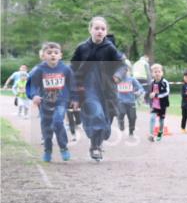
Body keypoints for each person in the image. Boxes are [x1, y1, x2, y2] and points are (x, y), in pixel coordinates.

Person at [69, 16, 127, 161]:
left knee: (107, 118)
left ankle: (98, 143)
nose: (100, 31)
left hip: (108, 88)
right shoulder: (82, 48)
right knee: (97, 115)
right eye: (96, 28)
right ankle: (95, 146)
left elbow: (122, 65)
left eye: (103, 29)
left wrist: (117, 76)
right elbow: (72, 68)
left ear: (106, 31)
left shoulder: (110, 48)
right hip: (89, 87)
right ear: (90, 30)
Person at [25, 42, 74, 162]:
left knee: (58, 122)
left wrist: (75, 98)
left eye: (56, 53)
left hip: (61, 101)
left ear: (60, 55)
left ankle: (63, 147)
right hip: (45, 102)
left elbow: (72, 84)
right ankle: (48, 149)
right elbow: (32, 85)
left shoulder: (65, 69)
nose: (53, 55)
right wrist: (34, 95)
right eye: (49, 53)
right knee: (47, 127)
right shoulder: (39, 70)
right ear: (43, 56)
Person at [115, 65, 144, 138]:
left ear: (128, 71)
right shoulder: (117, 80)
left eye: (125, 71)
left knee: (132, 117)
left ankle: (131, 130)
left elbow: (141, 88)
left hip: (131, 101)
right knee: (121, 113)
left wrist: (139, 92)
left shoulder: (132, 79)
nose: (123, 73)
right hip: (121, 101)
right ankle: (120, 122)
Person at [146, 64, 170, 142]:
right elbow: (149, 93)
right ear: (152, 74)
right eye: (155, 72)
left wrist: (156, 95)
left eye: (159, 71)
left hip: (162, 104)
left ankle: (160, 133)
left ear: (162, 73)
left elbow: (166, 92)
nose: (157, 73)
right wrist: (148, 97)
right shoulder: (152, 82)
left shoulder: (165, 82)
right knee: (152, 118)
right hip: (154, 104)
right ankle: (151, 135)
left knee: (161, 120)